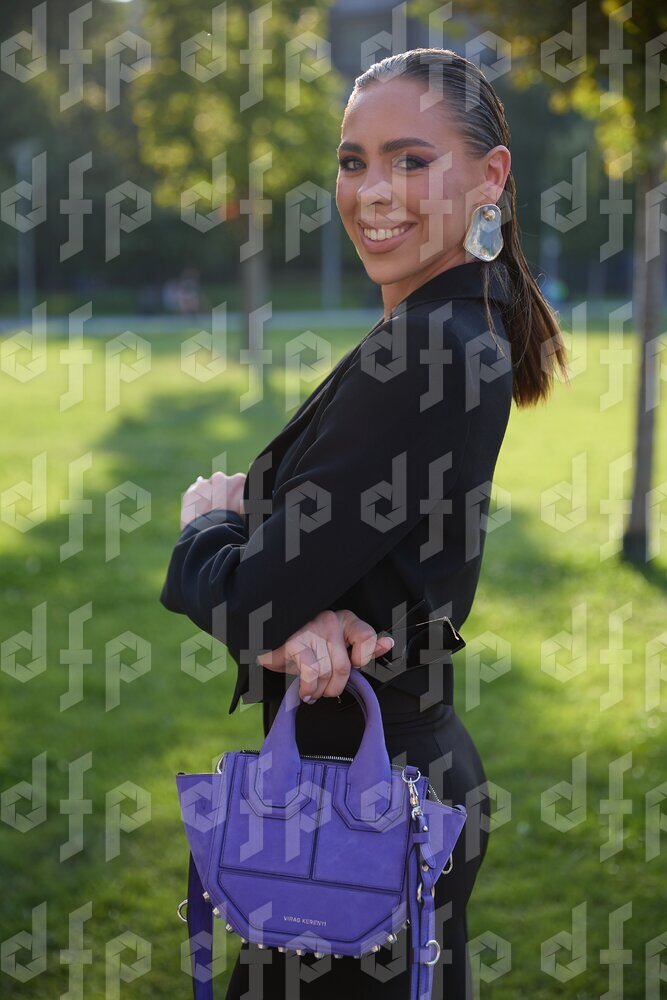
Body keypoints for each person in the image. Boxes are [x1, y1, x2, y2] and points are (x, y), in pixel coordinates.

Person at [160, 47, 569, 1000]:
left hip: (353, 811)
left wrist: (204, 529)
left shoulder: (428, 349)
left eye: (409, 160)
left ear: (490, 178)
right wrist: (298, 618)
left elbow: (251, 597)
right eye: (353, 162)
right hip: (374, 784)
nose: (371, 191)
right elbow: (305, 579)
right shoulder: (447, 324)